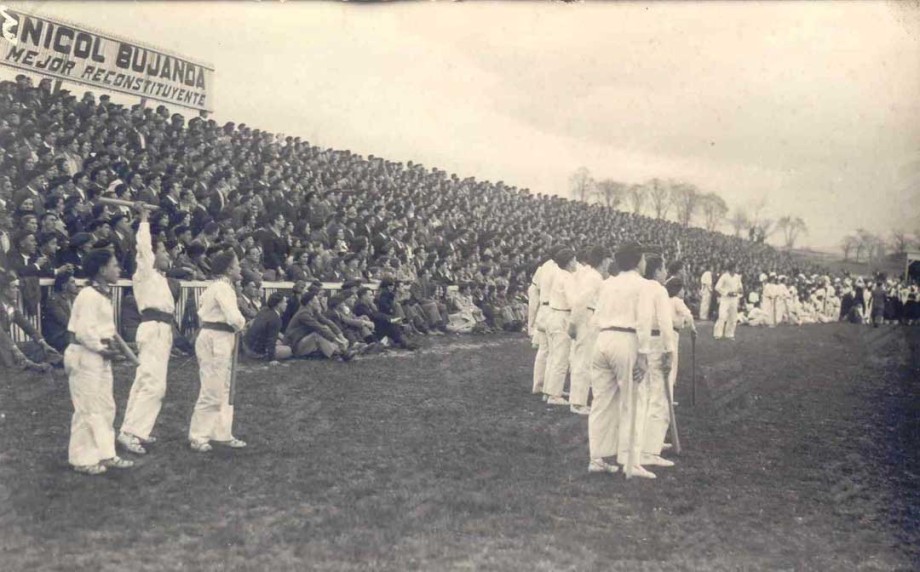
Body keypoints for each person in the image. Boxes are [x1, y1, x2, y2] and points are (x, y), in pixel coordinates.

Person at [587, 242, 655, 479]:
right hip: (626, 340)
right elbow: (644, 321)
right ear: (637, 261)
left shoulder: (607, 283)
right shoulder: (643, 286)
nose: (645, 263)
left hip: (603, 339)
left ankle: (596, 458)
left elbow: (595, 318)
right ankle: (631, 462)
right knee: (634, 401)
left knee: (601, 401)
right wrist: (644, 355)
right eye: (644, 258)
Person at [64, 249, 134, 475]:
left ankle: (106, 453)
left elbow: (105, 330)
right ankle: (82, 459)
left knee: (105, 406)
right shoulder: (88, 296)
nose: (118, 269)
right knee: (87, 408)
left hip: (99, 354)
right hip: (85, 354)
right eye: (114, 265)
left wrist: (109, 348)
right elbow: (84, 333)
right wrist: (103, 349)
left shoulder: (101, 294)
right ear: (102, 270)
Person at [118, 204, 176, 455]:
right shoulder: (145, 273)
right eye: (163, 252)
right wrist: (143, 219)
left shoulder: (161, 279)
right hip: (152, 329)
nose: (168, 256)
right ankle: (132, 432)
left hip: (162, 330)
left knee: (145, 382)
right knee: (154, 385)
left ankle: (131, 430)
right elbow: (143, 248)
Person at [188, 250, 247, 453]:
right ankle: (198, 436)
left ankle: (221, 433)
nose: (240, 268)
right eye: (237, 264)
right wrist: (241, 323)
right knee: (212, 387)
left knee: (224, 387)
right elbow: (233, 317)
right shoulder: (222, 287)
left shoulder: (218, 286)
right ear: (229, 269)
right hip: (216, 338)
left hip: (220, 337)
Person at [638, 252, 677, 471]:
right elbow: (665, 323)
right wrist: (669, 351)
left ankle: (644, 442)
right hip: (655, 342)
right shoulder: (658, 290)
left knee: (644, 394)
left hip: (640, 342)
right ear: (656, 271)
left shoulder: (639, 287)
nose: (665, 273)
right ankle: (650, 450)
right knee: (660, 396)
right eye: (663, 269)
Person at [568, 246, 610, 415]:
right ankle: (577, 403)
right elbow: (580, 301)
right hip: (586, 318)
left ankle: (578, 400)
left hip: (587, 317)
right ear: (603, 260)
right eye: (607, 259)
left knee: (584, 360)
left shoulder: (589, 274)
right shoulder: (594, 278)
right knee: (583, 361)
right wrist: (573, 323)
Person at [543, 248, 579, 405]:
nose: (576, 262)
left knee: (554, 355)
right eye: (574, 259)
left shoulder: (558, 275)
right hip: (562, 316)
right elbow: (573, 301)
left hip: (553, 315)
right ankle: (554, 395)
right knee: (561, 357)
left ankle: (549, 390)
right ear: (570, 262)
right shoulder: (568, 278)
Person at [529, 246, 561, 395]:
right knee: (553, 351)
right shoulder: (556, 269)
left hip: (543, 308)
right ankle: (548, 388)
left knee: (543, 350)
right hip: (552, 309)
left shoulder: (543, 267)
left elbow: (535, 289)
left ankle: (538, 385)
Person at [243, 292, 293, 361]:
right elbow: (271, 340)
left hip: (247, 346)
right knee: (288, 350)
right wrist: (272, 359)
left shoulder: (264, 310)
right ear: (278, 304)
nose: (286, 304)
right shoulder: (276, 319)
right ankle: (267, 356)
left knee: (280, 341)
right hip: (257, 352)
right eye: (284, 302)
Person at [713, 262, 742, 340]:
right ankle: (718, 334)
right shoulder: (724, 276)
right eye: (735, 267)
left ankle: (730, 334)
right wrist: (726, 292)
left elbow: (740, 286)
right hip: (725, 299)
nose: (736, 269)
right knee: (722, 316)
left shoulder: (737, 277)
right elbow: (717, 287)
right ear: (731, 268)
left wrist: (740, 290)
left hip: (734, 299)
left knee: (733, 317)